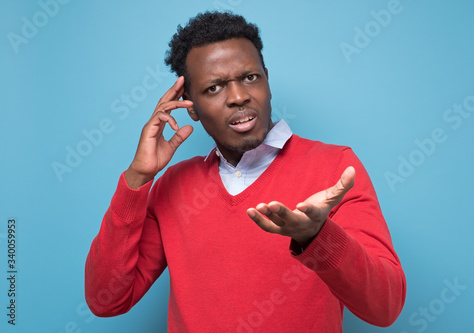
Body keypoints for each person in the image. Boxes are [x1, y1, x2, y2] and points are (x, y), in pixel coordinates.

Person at [85, 11, 406, 332]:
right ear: (190, 106)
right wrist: (138, 178)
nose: (239, 97)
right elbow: (107, 300)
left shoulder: (335, 167)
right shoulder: (174, 185)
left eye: (250, 77)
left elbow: (385, 307)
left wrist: (316, 237)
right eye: (214, 88)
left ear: (267, 79)